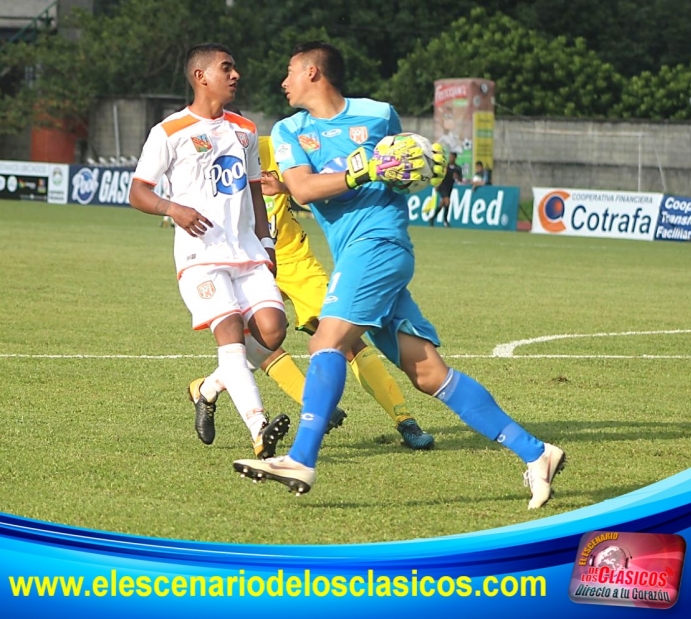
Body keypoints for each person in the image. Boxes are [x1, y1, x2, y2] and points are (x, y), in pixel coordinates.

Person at [233, 41, 565, 509]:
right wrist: (361, 170)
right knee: (428, 374)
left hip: (380, 244)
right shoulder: (290, 130)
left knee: (326, 342)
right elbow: (303, 189)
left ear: (312, 72)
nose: (283, 81)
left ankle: (302, 459)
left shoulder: (379, 114)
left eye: (290, 71)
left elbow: (407, 164)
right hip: (356, 253)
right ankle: (536, 453)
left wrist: (423, 165)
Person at [189, 134, 435, 451]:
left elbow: (315, 190)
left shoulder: (275, 149)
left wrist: (284, 187)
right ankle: (312, 404)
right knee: (263, 345)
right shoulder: (203, 160)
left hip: (294, 261)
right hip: (242, 264)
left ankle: (405, 420)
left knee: (346, 338)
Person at [129, 43, 291, 460]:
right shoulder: (169, 131)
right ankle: (259, 429)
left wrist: (266, 242)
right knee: (231, 333)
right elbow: (138, 192)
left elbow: (254, 191)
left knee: (273, 331)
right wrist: (173, 209)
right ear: (201, 77)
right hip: (200, 256)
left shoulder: (246, 130)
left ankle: (207, 388)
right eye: (226, 68)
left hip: (247, 252)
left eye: (234, 68)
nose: (236, 75)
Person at [430, 151, 462, 227]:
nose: (450, 158)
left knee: (442, 203)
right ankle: (445, 221)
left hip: (449, 187)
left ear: (455, 158)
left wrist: (457, 177)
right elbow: (440, 176)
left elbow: (460, 179)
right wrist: (437, 184)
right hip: (442, 186)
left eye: (452, 157)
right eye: (450, 157)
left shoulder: (458, 168)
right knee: (447, 201)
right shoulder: (445, 167)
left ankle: (432, 218)